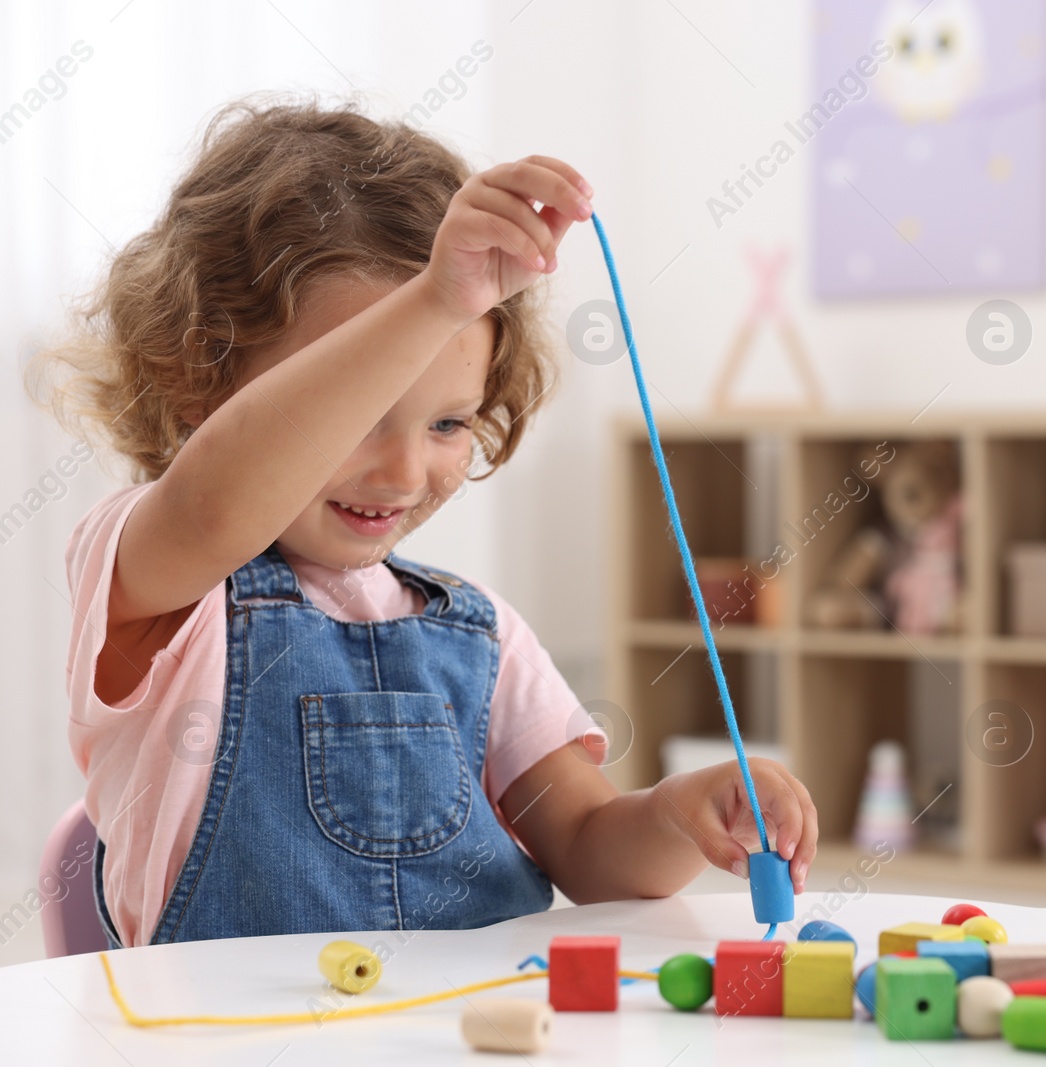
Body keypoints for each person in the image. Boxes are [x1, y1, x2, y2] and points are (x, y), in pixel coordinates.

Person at [37, 99, 817, 947]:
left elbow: (591, 849)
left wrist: (684, 815)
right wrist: (436, 303)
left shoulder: (477, 632)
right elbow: (213, 503)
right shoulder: (161, 580)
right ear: (200, 381)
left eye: (447, 423)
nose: (406, 472)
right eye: (360, 412)